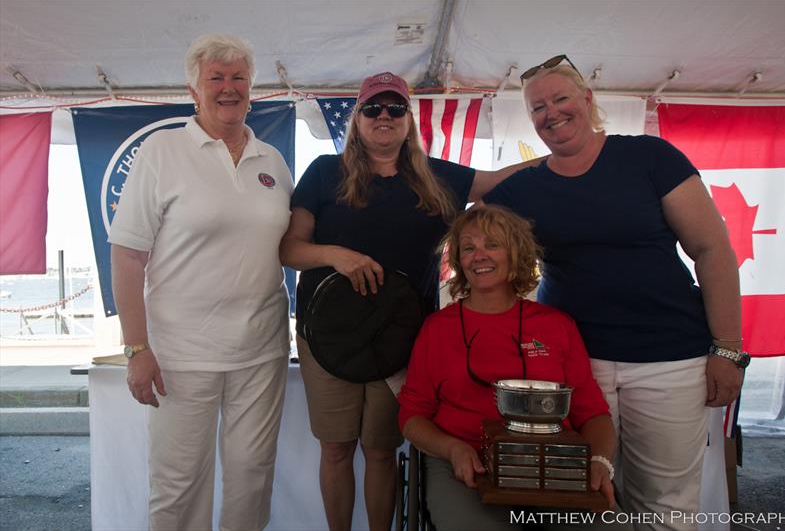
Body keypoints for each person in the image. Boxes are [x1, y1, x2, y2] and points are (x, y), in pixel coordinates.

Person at [482, 56, 745, 531]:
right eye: (538, 107)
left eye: (561, 98)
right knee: (578, 497)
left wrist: (728, 348)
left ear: (587, 100)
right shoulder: (522, 188)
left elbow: (712, 249)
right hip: (574, 365)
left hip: (669, 360)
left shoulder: (650, 157)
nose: (551, 113)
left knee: (665, 506)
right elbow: (467, 226)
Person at [279, 72, 538, 531]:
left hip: (402, 340)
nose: (384, 116)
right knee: (335, 448)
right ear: (357, 118)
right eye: (373, 108)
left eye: (395, 108)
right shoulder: (324, 172)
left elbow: (500, 183)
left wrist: (562, 154)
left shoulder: (438, 178)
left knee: (381, 451)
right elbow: (290, 249)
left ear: (408, 120)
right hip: (329, 338)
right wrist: (334, 255)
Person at [109, 33, 293, 530]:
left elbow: (286, 247)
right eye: (216, 78)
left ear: (252, 88)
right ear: (194, 89)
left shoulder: (272, 161)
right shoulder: (161, 151)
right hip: (180, 355)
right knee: (178, 485)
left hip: (261, 350)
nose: (228, 88)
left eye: (238, 78)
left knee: (252, 477)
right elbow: (127, 256)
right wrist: (135, 348)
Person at [398, 205, 617, 531]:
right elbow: (412, 415)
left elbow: (592, 412)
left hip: (549, 463)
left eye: (492, 244)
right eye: (468, 248)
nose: (479, 255)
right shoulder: (437, 329)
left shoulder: (556, 325)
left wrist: (599, 462)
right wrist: (452, 448)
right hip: (465, 463)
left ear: (516, 254)